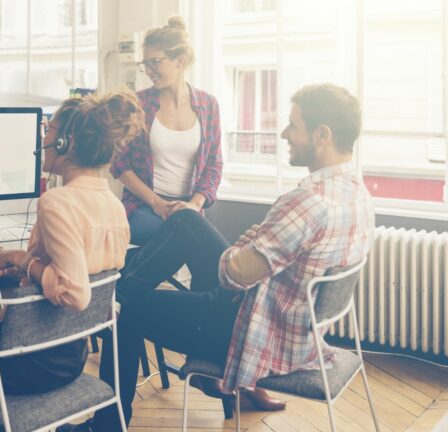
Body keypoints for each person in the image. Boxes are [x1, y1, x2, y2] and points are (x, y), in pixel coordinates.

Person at [78, 84, 374, 432]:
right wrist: (251, 249)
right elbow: (253, 265)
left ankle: (107, 419)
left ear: (322, 135)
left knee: (125, 312)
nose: (284, 134)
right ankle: (118, 294)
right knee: (186, 220)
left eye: (293, 125)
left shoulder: (307, 202)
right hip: (291, 326)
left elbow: (234, 274)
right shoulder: (357, 192)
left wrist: (243, 250)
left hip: (251, 330)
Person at [0, 91, 144, 430]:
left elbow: (75, 292)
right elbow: (81, 267)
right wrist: (15, 260)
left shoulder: (58, 202)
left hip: (29, 365)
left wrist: (24, 260)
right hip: (69, 358)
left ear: (66, 142)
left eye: (49, 130)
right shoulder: (113, 204)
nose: (44, 138)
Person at [110, 16, 222, 246]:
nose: (148, 70)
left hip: (188, 210)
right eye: (145, 64)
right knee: (187, 239)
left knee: (195, 242)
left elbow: (214, 164)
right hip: (143, 207)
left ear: (180, 61)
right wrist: (157, 203)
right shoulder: (138, 104)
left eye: (155, 62)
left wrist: (194, 205)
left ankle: (133, 282)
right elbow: (119, 163)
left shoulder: (208, 104)